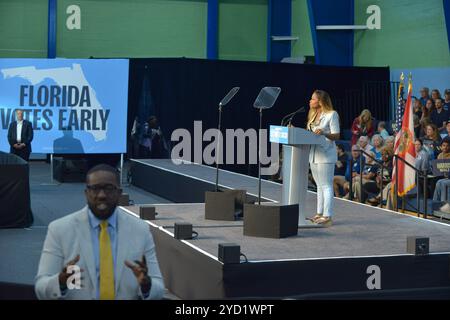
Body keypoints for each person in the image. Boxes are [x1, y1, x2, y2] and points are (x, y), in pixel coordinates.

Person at [35, 164, 165, 300]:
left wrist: (146, 286)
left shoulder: (140, 230)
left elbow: (158, 288)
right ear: (86, 193)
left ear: (119, 193)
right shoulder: (60, 229)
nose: (102, 195)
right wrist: (60, 282)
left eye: (109, 188)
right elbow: (41, 287)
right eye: (95, 188)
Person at [306, 90, 340, 227]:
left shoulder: (332, 114)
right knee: (319, 185)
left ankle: (327, 216)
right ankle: (319, 213)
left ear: (320, 101)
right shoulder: (313, 115)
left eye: (312, 99)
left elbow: (336, 135)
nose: (310, 101)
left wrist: (324, 132)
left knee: (326, 185)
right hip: (314, 154)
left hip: (326, 154)